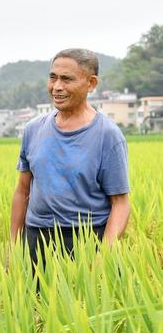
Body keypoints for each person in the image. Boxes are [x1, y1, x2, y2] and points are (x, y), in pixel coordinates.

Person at [10, 48, 130, 265]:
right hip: (36, 237)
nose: (57, 87)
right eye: (53, 78)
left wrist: (104, 257)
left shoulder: (108, 135)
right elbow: (22, 191)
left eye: (67, 79)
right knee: (29, 298)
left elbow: (120, 204)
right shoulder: (33, 129)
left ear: (91, 83)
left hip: (86, 239)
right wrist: (14, 247)